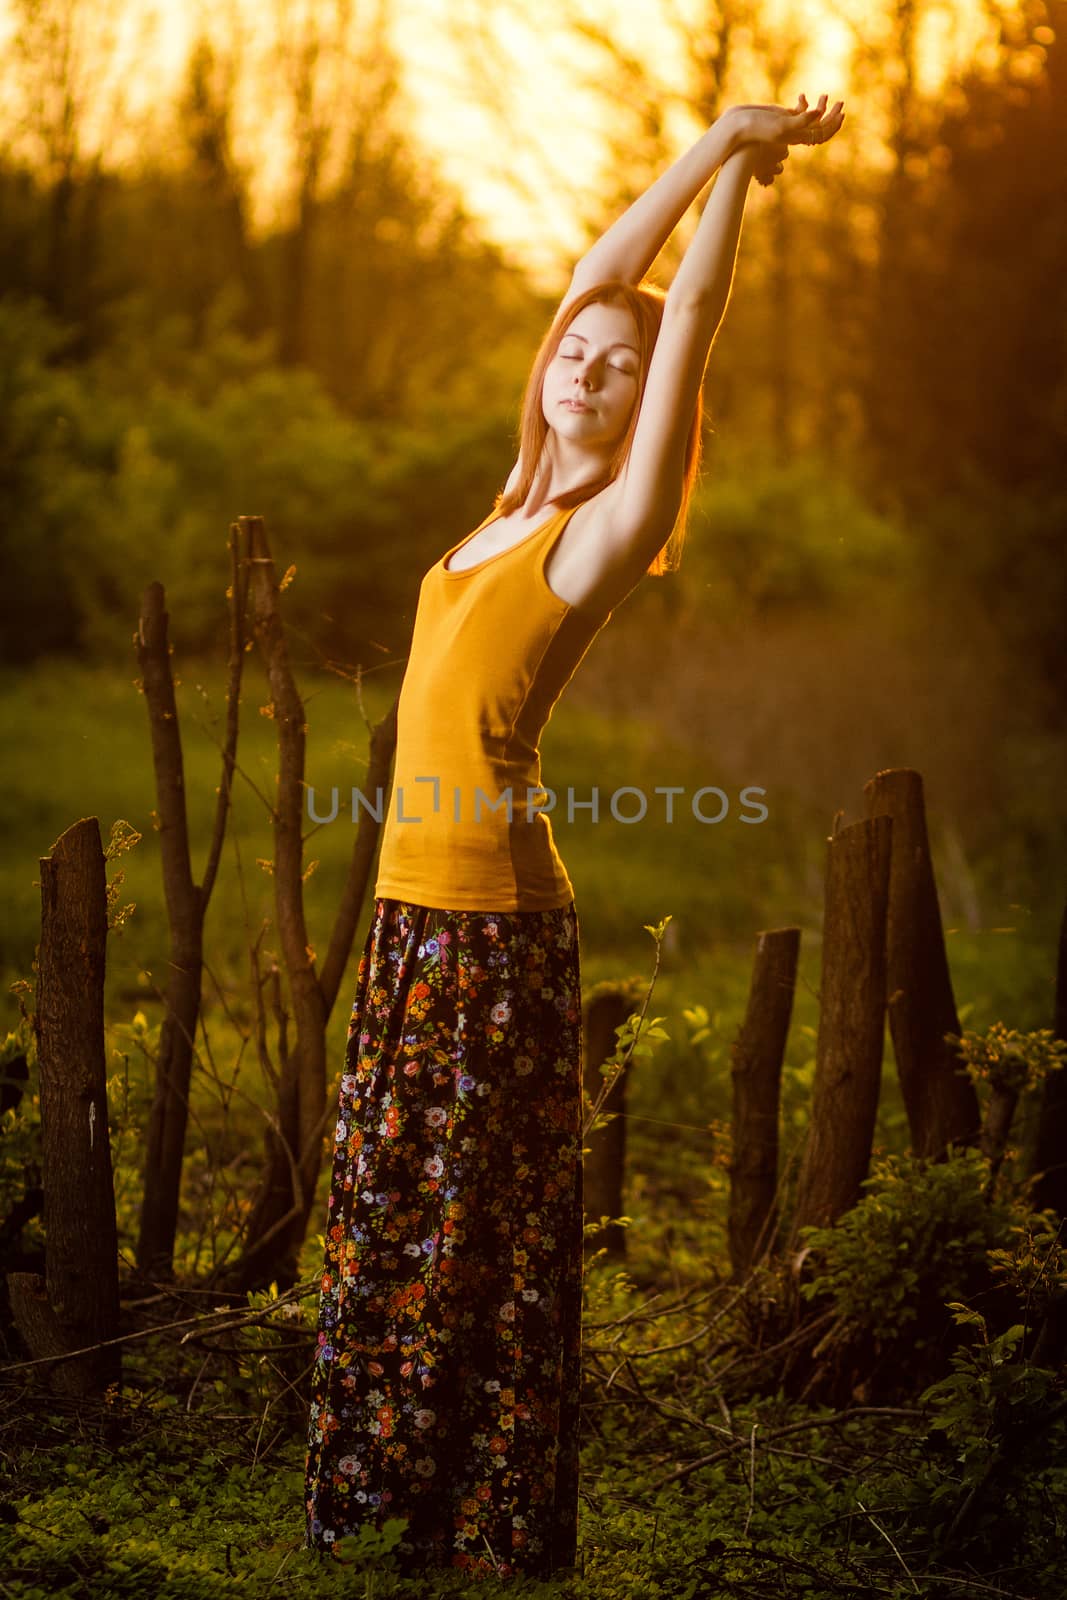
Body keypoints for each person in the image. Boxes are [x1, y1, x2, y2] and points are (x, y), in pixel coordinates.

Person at [304, 90, 845, 1581]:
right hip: (416, 916)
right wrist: (714, 137)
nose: (591, 371)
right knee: (390, 1218)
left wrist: (740, 180)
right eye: (576, 355)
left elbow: (691, 322)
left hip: (494, 927)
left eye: (620, 370)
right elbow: (598, 279)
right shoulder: (501, 500)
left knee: (479, 1237)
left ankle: (483, 1518)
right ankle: (384, 1505)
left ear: (640, 403)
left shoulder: (601, 529)